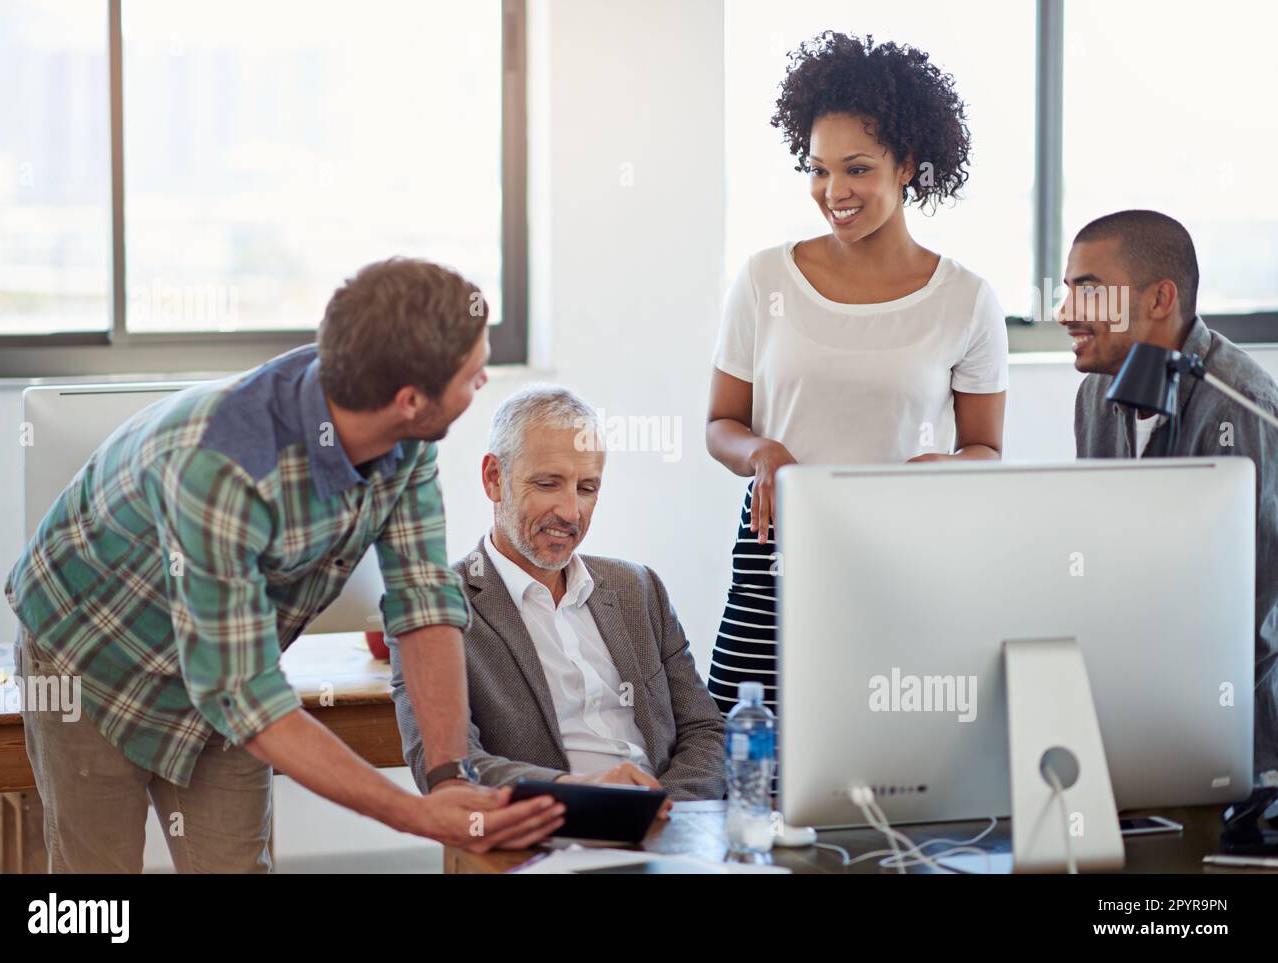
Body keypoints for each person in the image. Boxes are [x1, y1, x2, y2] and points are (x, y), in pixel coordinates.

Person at [5, 257, 564, 872]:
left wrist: (448, 778)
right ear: (409, 399)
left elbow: (423, 605)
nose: (483, 381)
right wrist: (414, 813)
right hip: (93, 655)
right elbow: (243, 693)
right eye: (474, 373)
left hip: (229, 666)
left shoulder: (406, 440)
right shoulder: (221, 467)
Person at [706, 32, 1008, 717]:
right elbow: (719, 425)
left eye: (857, 169)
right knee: (743, 758)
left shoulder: (965, 298)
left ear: (906, 164)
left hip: (901, 561)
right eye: (817, 170)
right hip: (772, 558)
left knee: (891, 760)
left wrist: (946, 470)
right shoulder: (764, 279)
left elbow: (987, 450)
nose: (833, 192)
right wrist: (763, 451)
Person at [392, 386, 726, 806]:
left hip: (672, 830)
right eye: (549, 484)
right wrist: (588, 800)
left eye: (587, 488)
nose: (571, 513)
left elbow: (703, 729)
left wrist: (665, 812)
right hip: (543, 838)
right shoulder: (433, 608)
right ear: (494, 478)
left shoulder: (639, 589)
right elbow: (446, 767)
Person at [1061, 209, 1278, 781]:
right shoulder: (1095, 395)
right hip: (1133, 718)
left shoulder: (1240, 404)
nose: (1065, 314)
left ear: (1160, 300)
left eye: (1088, 292)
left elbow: (1253, 616)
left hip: (1234, 747)